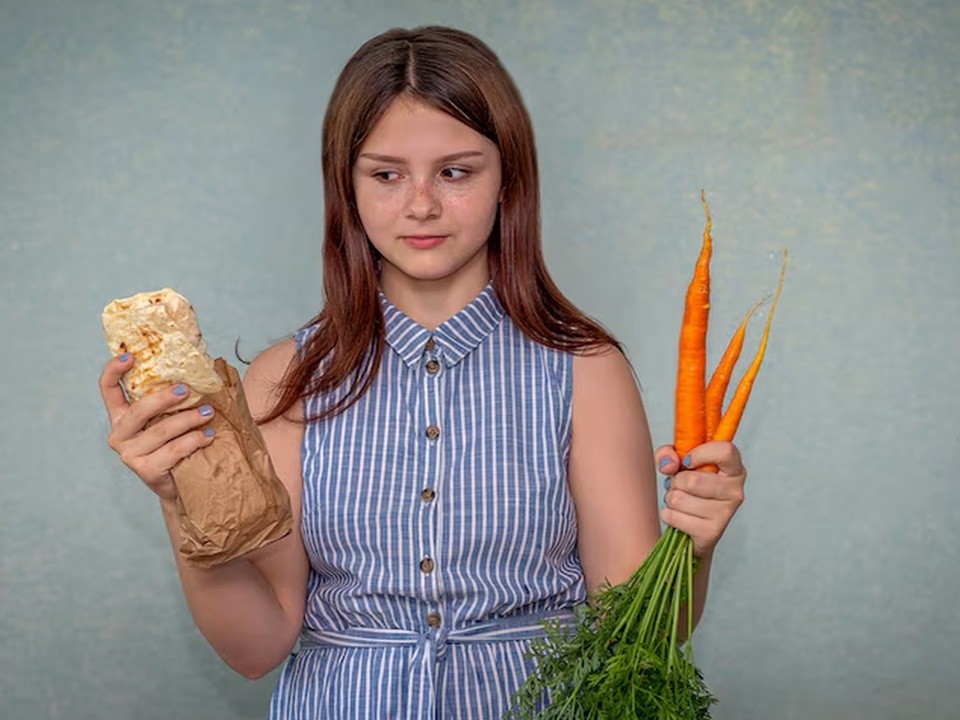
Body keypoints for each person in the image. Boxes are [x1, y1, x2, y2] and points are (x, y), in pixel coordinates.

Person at [99, 25, 747, 719]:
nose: (421, 205)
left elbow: (638, 632)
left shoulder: (587, 371)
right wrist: (182, 499)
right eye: (386, 174)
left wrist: (695, 545)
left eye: (456, 171)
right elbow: (258, 645)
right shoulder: (283, 382)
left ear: (510, 181)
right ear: (346, 189)